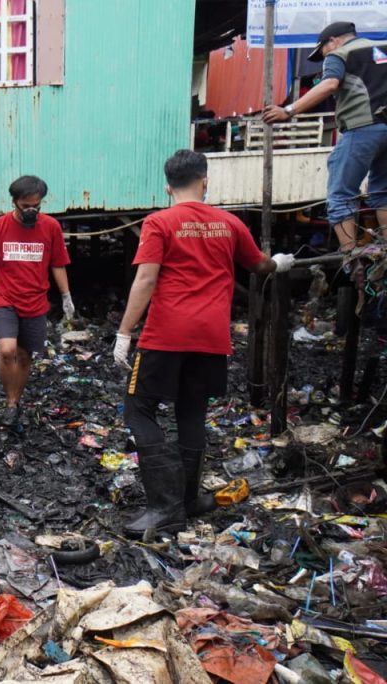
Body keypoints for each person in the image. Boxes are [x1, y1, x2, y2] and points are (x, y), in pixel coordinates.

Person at [113, 149, 295, 539]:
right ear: (205, 181)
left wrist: (124, 332)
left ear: (168, 187)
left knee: (138, 410)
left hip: (167, 335)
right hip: (212, 338)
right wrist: (279, 263)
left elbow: (146, 279)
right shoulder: (229, 223)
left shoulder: (159, 222)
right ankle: (189, 500)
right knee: (191, 412)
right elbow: (260, 265)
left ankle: (165, 508)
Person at [263, 21, 387, 251]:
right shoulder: (383, 47)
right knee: (383, 192)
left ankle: (350, 257)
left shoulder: (339, 54)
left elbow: (329, 84)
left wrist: (288, 111)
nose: (324, 56)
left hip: (361, 128)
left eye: (323, 51)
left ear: (333, 40)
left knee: (340, 195)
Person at [0, 175, 75, 431]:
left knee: (25, 356)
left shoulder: (50, 227)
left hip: (35, 301)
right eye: (26, 206)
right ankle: (9, 402)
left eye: (36, 206)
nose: (31, 211)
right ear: (14, 202)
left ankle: (15, 402)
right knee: (7, 351)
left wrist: (66, 296)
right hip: (5, 299)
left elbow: (57, 264)